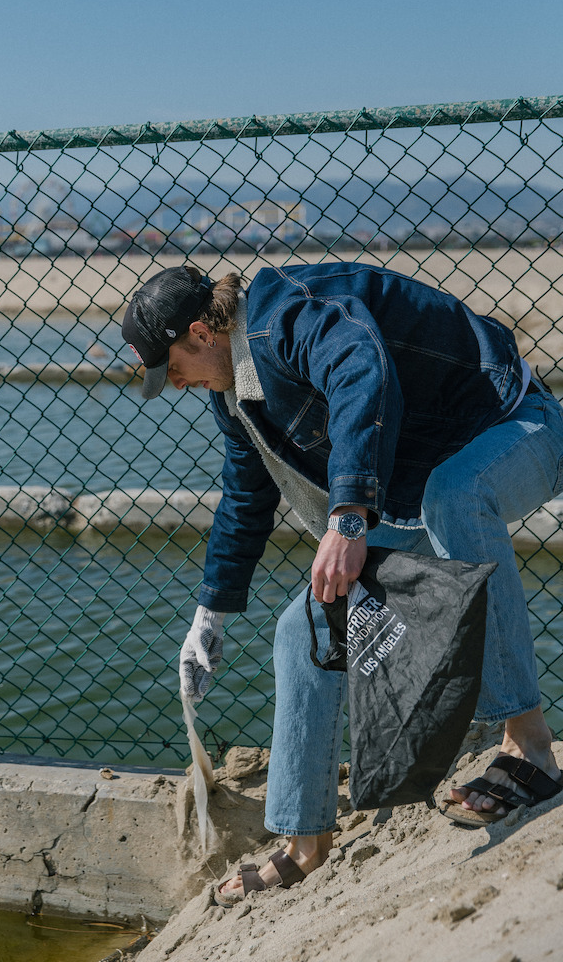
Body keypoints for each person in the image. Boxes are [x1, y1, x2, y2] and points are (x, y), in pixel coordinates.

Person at [121, 262, 563, 901]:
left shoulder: (288, 316)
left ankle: (529, 748)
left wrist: (349, 515)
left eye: (173, 368)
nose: (176, 384)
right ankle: (305, 842)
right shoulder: (232, 388)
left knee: (455, 496)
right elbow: (245, 496)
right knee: (302, 627)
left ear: (201, 332)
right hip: (416, 498)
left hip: (520, 426)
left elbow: (362, 371)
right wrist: (208, 614)